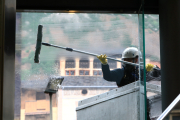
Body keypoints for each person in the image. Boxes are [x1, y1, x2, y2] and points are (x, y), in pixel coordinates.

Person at [97, 47, 152, 120]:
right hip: (126, 106)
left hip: (142, 106)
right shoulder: (120, 73)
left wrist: (152, 70)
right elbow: (108, 76)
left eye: (128, 59)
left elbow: (160, 75)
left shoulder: (141, 72)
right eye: (125, 59)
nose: (126, 61)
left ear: (136, 60)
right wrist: (104, 64)